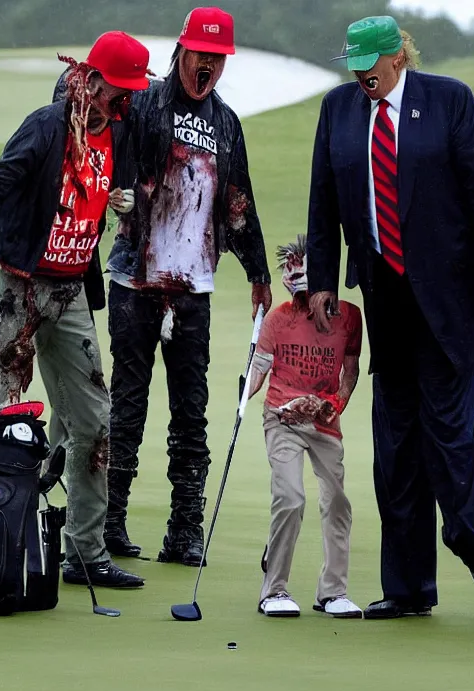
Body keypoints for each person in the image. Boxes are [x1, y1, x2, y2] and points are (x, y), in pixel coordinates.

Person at [306, 15, 474, 621]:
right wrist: (322, 279)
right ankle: (408, 588)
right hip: (385, 300)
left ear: (397, 56)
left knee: (448, 442)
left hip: (449, 301)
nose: (361, 76)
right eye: (354, 66)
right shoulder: (340, 110)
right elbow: (324, 200)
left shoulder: (449, 100)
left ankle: (470, 543)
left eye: (370, 65)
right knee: (394, 450)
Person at [0, 31, 151, 589]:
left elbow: (110, 191)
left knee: (94, 421)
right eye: (117, 90)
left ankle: (84, 553)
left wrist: (124, 200)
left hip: (72, 291)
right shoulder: (47, 125)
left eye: (129, 93)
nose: (123, 101)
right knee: (9, 416)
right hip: (23, 289)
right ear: (92, 81)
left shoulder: (118, 134)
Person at [103, 6, 272, 567]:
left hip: (193, 289)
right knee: (127, 406)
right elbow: (106, 150)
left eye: (218, 59)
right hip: (135, 280)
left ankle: (184, 531)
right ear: (181, 51)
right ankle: (110, 523)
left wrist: (258, 271)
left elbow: (239, 202)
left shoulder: (226, 124)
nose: (209, 67)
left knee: (190, 412)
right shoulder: (144, 104)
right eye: (202, 55)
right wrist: (117, 194)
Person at [249, 235, 363, 618]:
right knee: (291, 498)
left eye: (302, 265)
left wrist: (333, 404)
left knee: (337, 503)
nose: (293, 273)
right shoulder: (278, 318)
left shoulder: (350, 316)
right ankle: (274, 590)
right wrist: (242, 394)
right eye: (289, 266)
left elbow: (350, 371)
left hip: (324, 421)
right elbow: (259, 368)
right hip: (281, 418)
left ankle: (332, 592)